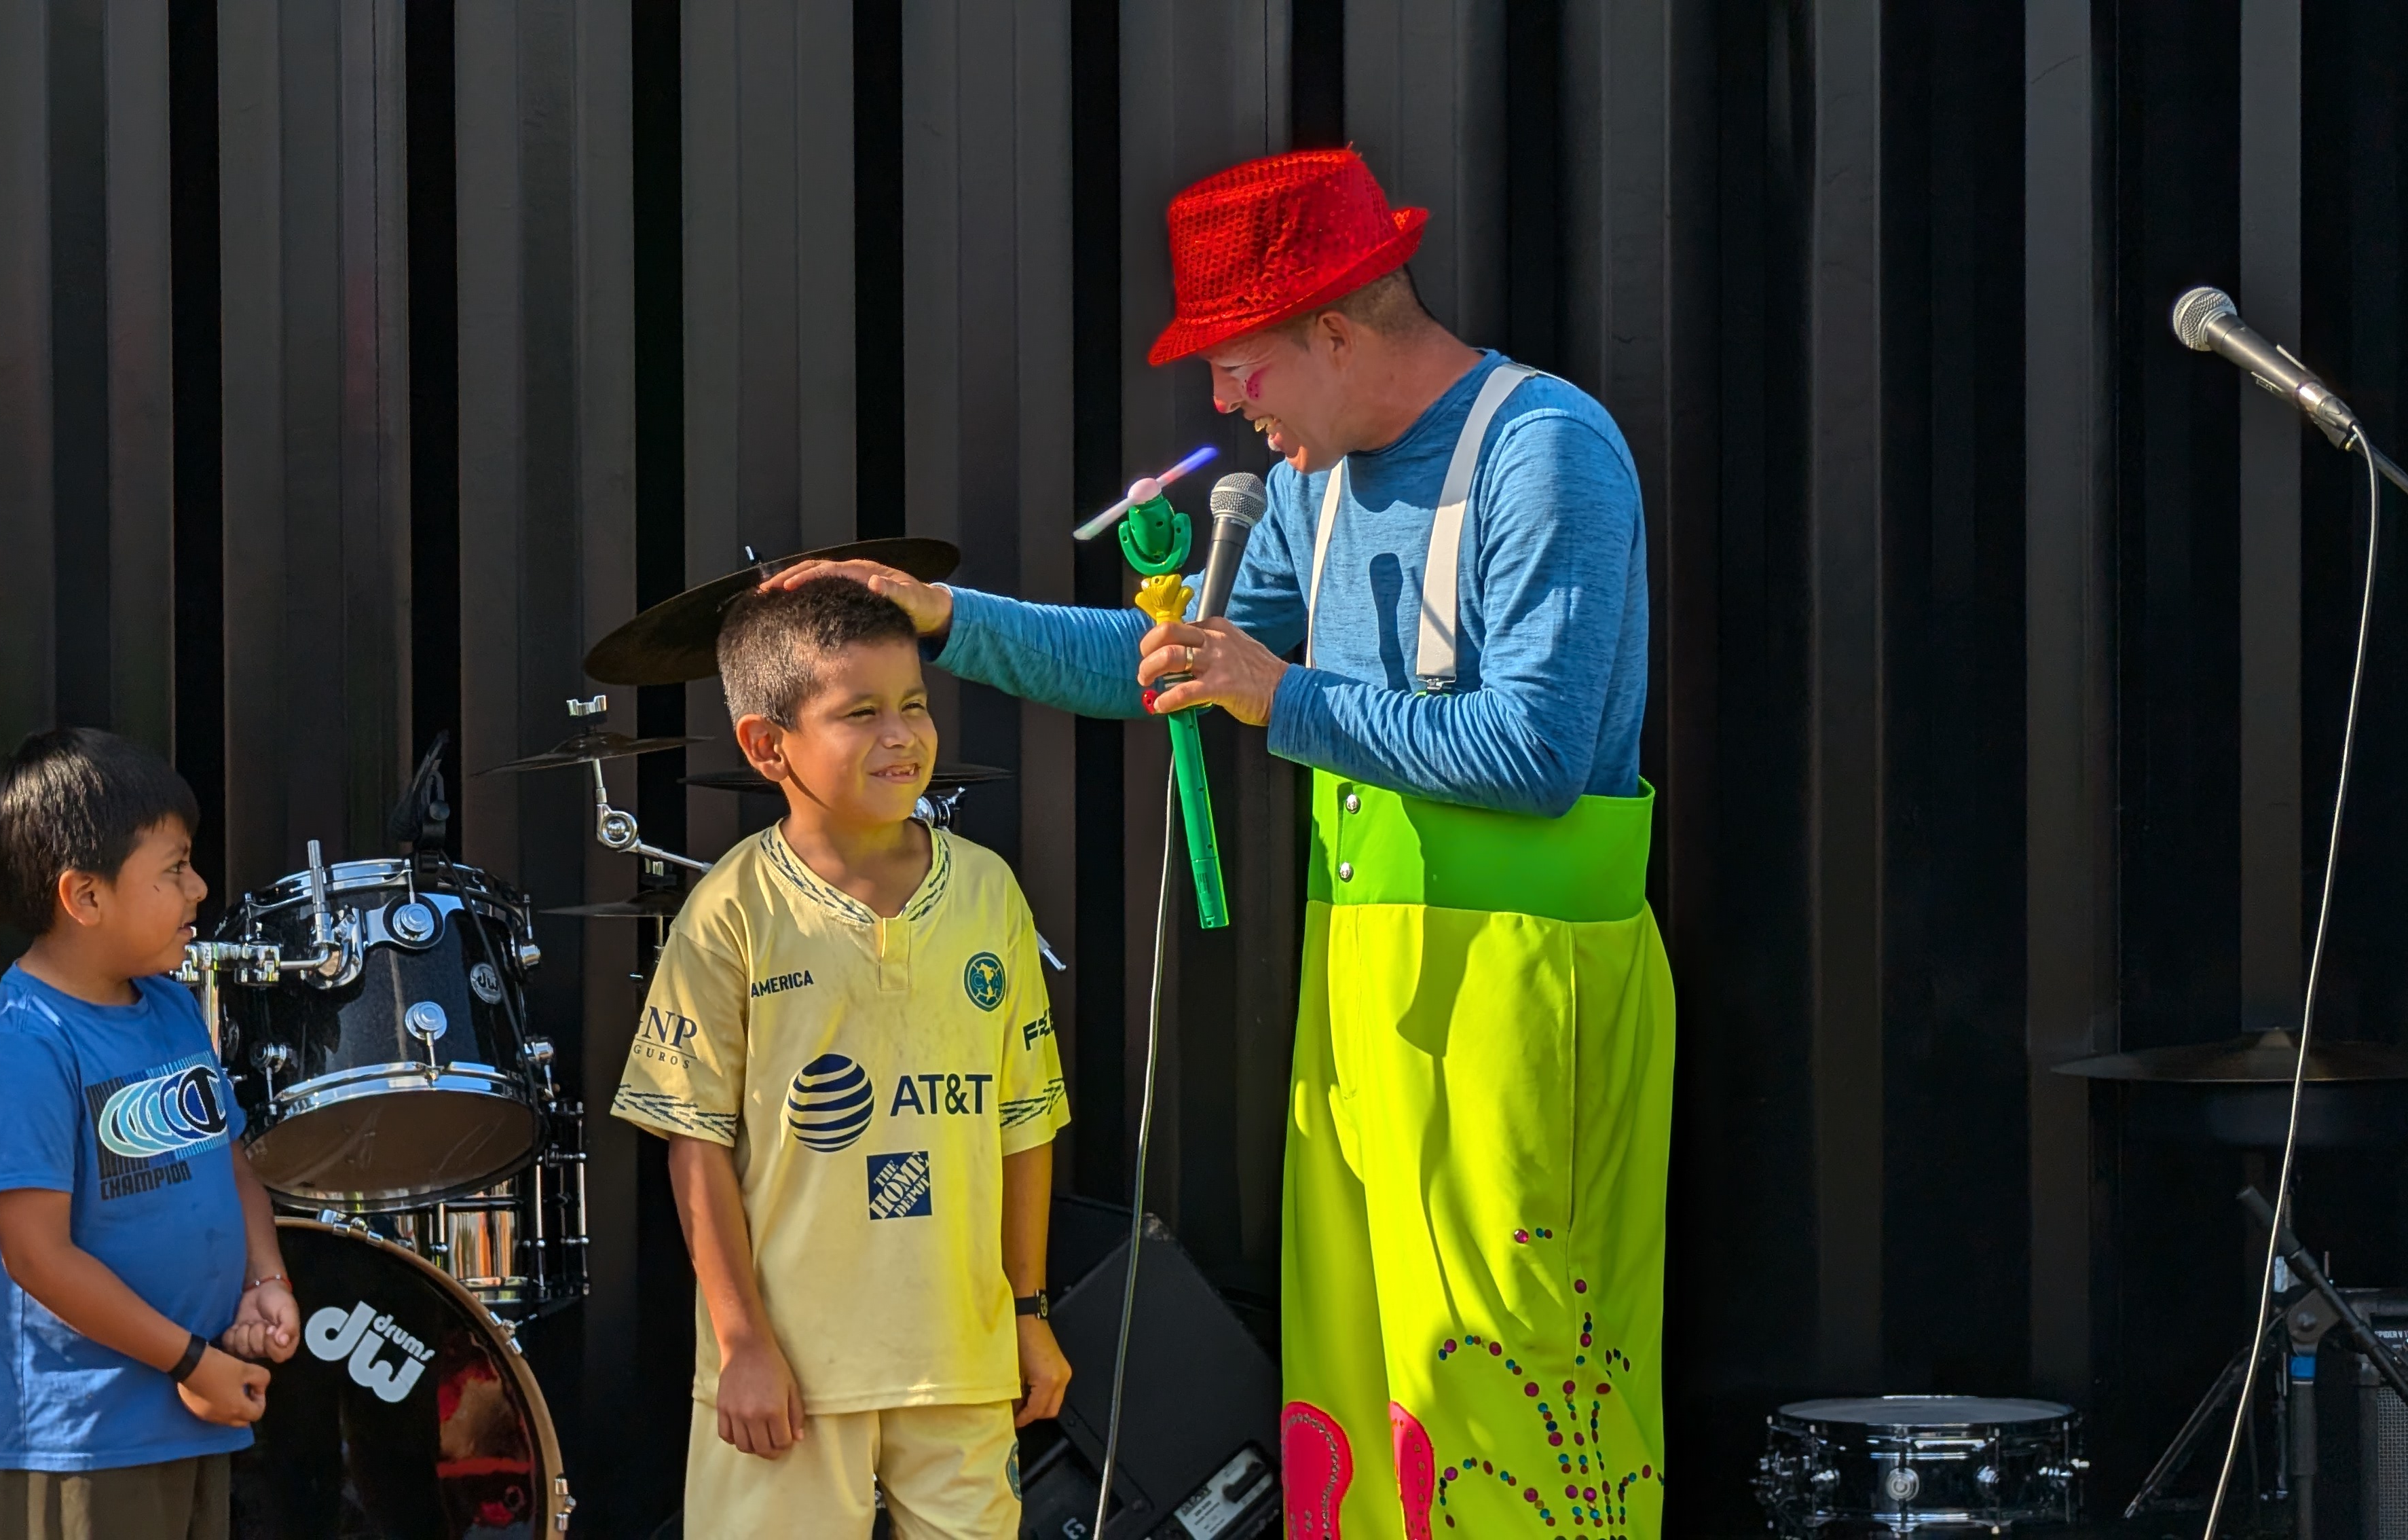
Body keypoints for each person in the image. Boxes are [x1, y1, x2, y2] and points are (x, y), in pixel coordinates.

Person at [777, 147, 1676, 1537]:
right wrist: (936, 617)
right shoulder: (1312, 485)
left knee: (1509, 1373)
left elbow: (1537, 756)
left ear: (1331, 331)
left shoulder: (1545, 450)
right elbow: (1169, 663)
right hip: (1369, 980)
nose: (1219, 403)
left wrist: (1284, 694)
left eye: (1239, 364)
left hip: (1524, 983)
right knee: (1370, 1378)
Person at [612, 577, 1075, 1540]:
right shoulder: (731, 911)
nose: (901, 735)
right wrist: (743, 1345)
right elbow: (693, 1145)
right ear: (767, 746)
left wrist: (1027, 1311)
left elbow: (1025, 1122)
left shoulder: (989, 893)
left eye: (913, 705)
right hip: (789, 1380)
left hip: (961, 1368)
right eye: (859, 714)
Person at [0, 728, 301, 1540]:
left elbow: (230, 1162)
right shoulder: (25, 1047)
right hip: (86, 1443)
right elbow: (38, 1256)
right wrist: (192, 1360)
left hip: (198, 1412)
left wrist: (267, 1280)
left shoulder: (172, 1004)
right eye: (173, 870)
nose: (199, 889)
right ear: (85, 897)